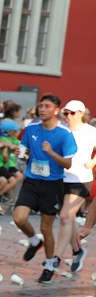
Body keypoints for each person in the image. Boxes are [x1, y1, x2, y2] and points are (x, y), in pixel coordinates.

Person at [12, 94, 78, 283]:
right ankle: (34, 240)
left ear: (56, 110)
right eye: (40, 106)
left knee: (46, 227)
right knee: (19, 218)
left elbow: (67, 164)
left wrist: (51, 152)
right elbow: (24, 156)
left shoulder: (64, 133)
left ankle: (49, 265)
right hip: (32, 180)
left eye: (47, 106)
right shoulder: (31, 128)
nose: (42, 109)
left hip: (52, 184)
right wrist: (21, 154)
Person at [55, 100, 96, 273]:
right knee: (68, 218)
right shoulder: (62, 130)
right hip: (61, 178)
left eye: (71, 113)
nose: (68, 116)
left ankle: (54, 259)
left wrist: (93, 162)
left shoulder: (91, 131)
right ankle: (77, 251)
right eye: (65, 113)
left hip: (81, 179)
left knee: (66, 215)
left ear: (81, 113)